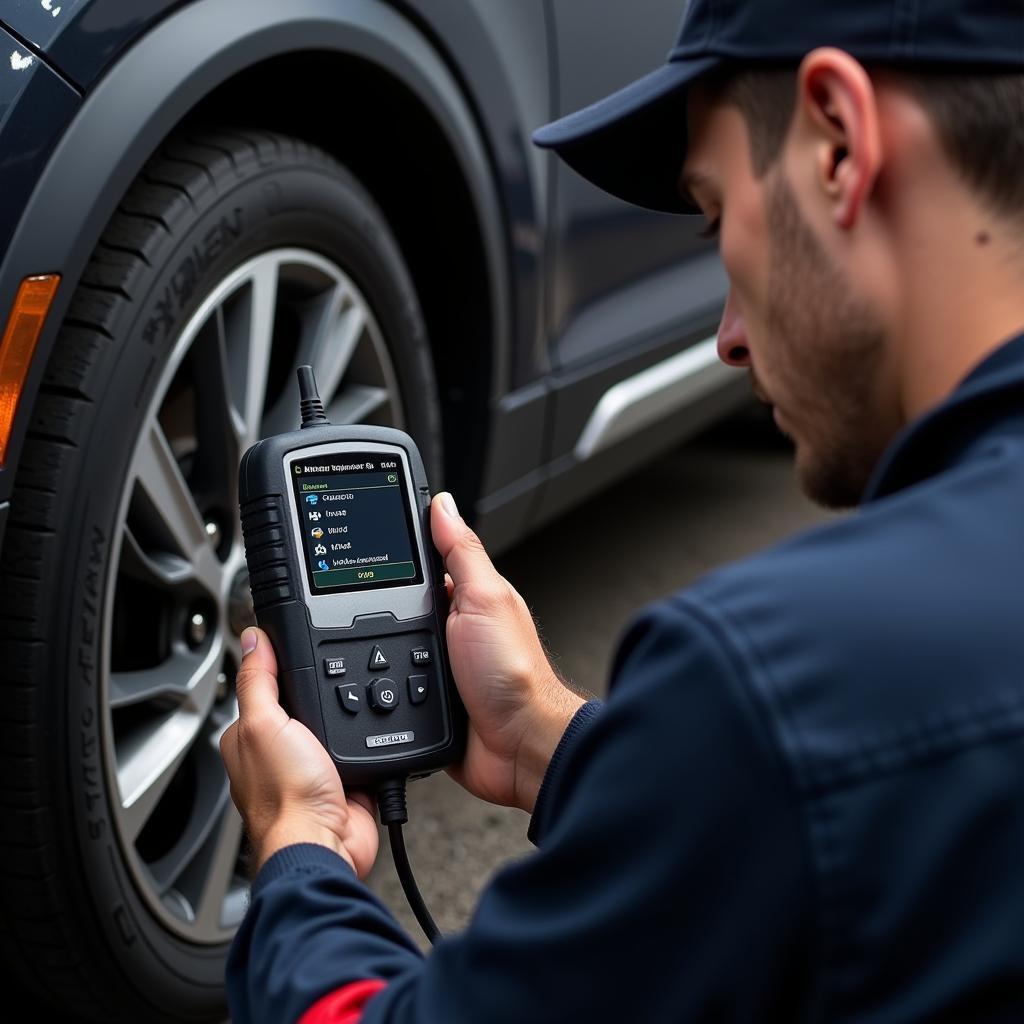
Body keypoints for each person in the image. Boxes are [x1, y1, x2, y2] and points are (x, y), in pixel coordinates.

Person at [221, 0, 1024, 1020]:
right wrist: (550, 739)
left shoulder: (770, 681)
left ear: (836, 145)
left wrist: (295, 852)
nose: (728, 338)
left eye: (716, 214)